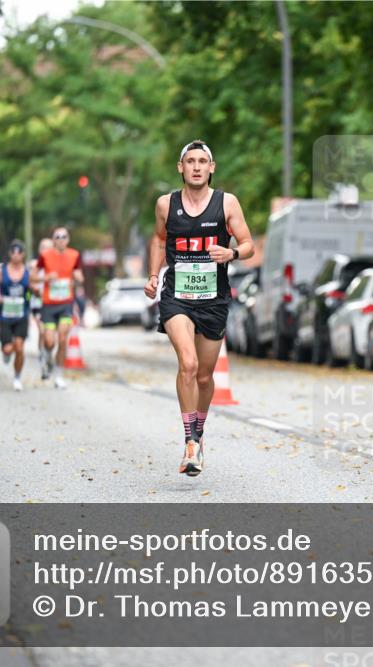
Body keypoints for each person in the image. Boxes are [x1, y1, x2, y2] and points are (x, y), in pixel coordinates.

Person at [145, 140, 254, 477]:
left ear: (211, 167)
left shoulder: (227, 203)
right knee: (188, 364)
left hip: (213, 298)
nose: (195, 167)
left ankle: (199, 431)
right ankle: (190, 442)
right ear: (180, 167)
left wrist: (232, 254)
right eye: (189, 161)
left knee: (206, 376)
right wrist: (152, 275)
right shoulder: (166, 204)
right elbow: (159, 240)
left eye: (201, 161)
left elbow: (248, 244)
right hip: (176, 296)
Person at [35, 227, 84, 389]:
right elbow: (33, 276)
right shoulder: (45, 256)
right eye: (58, 237)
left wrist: (77, 278)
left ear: (68, 239)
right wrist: (46, 277)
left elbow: (79, 277)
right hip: (48, 304)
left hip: (66, 304)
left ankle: (58, 375)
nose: (61, 239)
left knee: (63, 339)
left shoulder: (74, 255)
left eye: (64, 237)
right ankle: (47, 355)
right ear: (53, 239)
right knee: (49, 341)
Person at [0, 240, 36, 391]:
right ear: (9, 254)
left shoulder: (28, 273)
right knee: (8, 349)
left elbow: (33, 288)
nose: (16, 255)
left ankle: (17, 377)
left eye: (19, 252)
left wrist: (35, 291)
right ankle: (6, 353)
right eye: (13, 252)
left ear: (23, 255)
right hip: (5, 316)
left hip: (22, 315)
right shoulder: (1, 272)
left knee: (20, 347)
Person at [29, 237, 52, 377]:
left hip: (52, 303)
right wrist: (34, 290)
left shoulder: (55, 265)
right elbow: (28, 281)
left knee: (50, 335)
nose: (46, 250)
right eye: (43, 247)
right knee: (42, 331)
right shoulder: (34, 265)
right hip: (38, 303)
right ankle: (42, 357)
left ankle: (48, 353)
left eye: (48, 247)